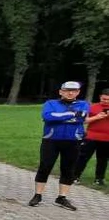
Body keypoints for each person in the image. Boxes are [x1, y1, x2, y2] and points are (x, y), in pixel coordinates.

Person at [29, 81, 89, 210]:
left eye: (73, 91)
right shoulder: (51, 103)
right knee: (45, 166)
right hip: (51, 139)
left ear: (78, 92)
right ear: (61, 91)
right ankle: (38, 194)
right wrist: (72, 115)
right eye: (67, 90)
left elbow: (81, 117)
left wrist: (60, 117)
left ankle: (61, 197)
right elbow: (47, 117)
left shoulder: (83, 104)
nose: (70, 93)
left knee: (68, 169)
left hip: (73, 140)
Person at [74, 88, 109, 186]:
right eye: (103, 99)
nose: (105, 101)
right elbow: (84, 120)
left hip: (107, 139)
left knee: (102, 159)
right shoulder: (92, 107)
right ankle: (75, 176)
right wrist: (97, 117)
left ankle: (99, 179)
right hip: (91, 136)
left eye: (107, 100)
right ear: (100, 97)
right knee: (83, 156)